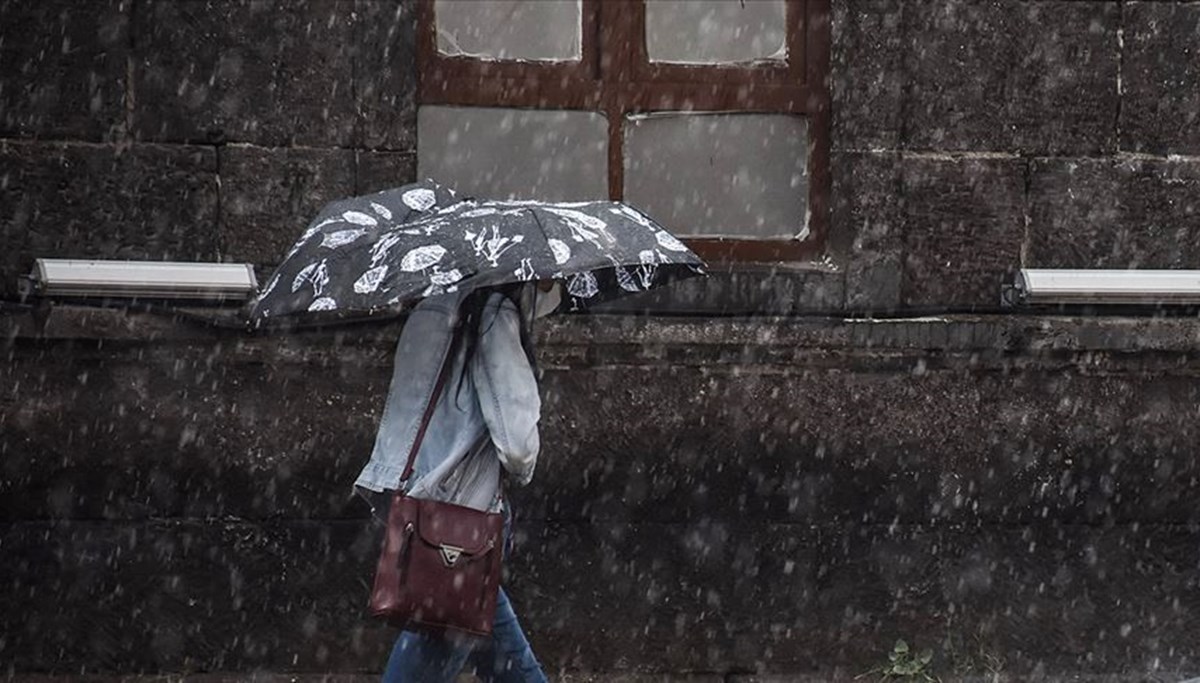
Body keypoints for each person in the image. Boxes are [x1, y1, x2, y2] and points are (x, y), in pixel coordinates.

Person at [354, 280, 561, 683]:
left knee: (505, 661)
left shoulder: (430, 308)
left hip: (418, 508)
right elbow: (518, 446)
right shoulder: (494, 315)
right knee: (436, 656)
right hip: (461, 520)